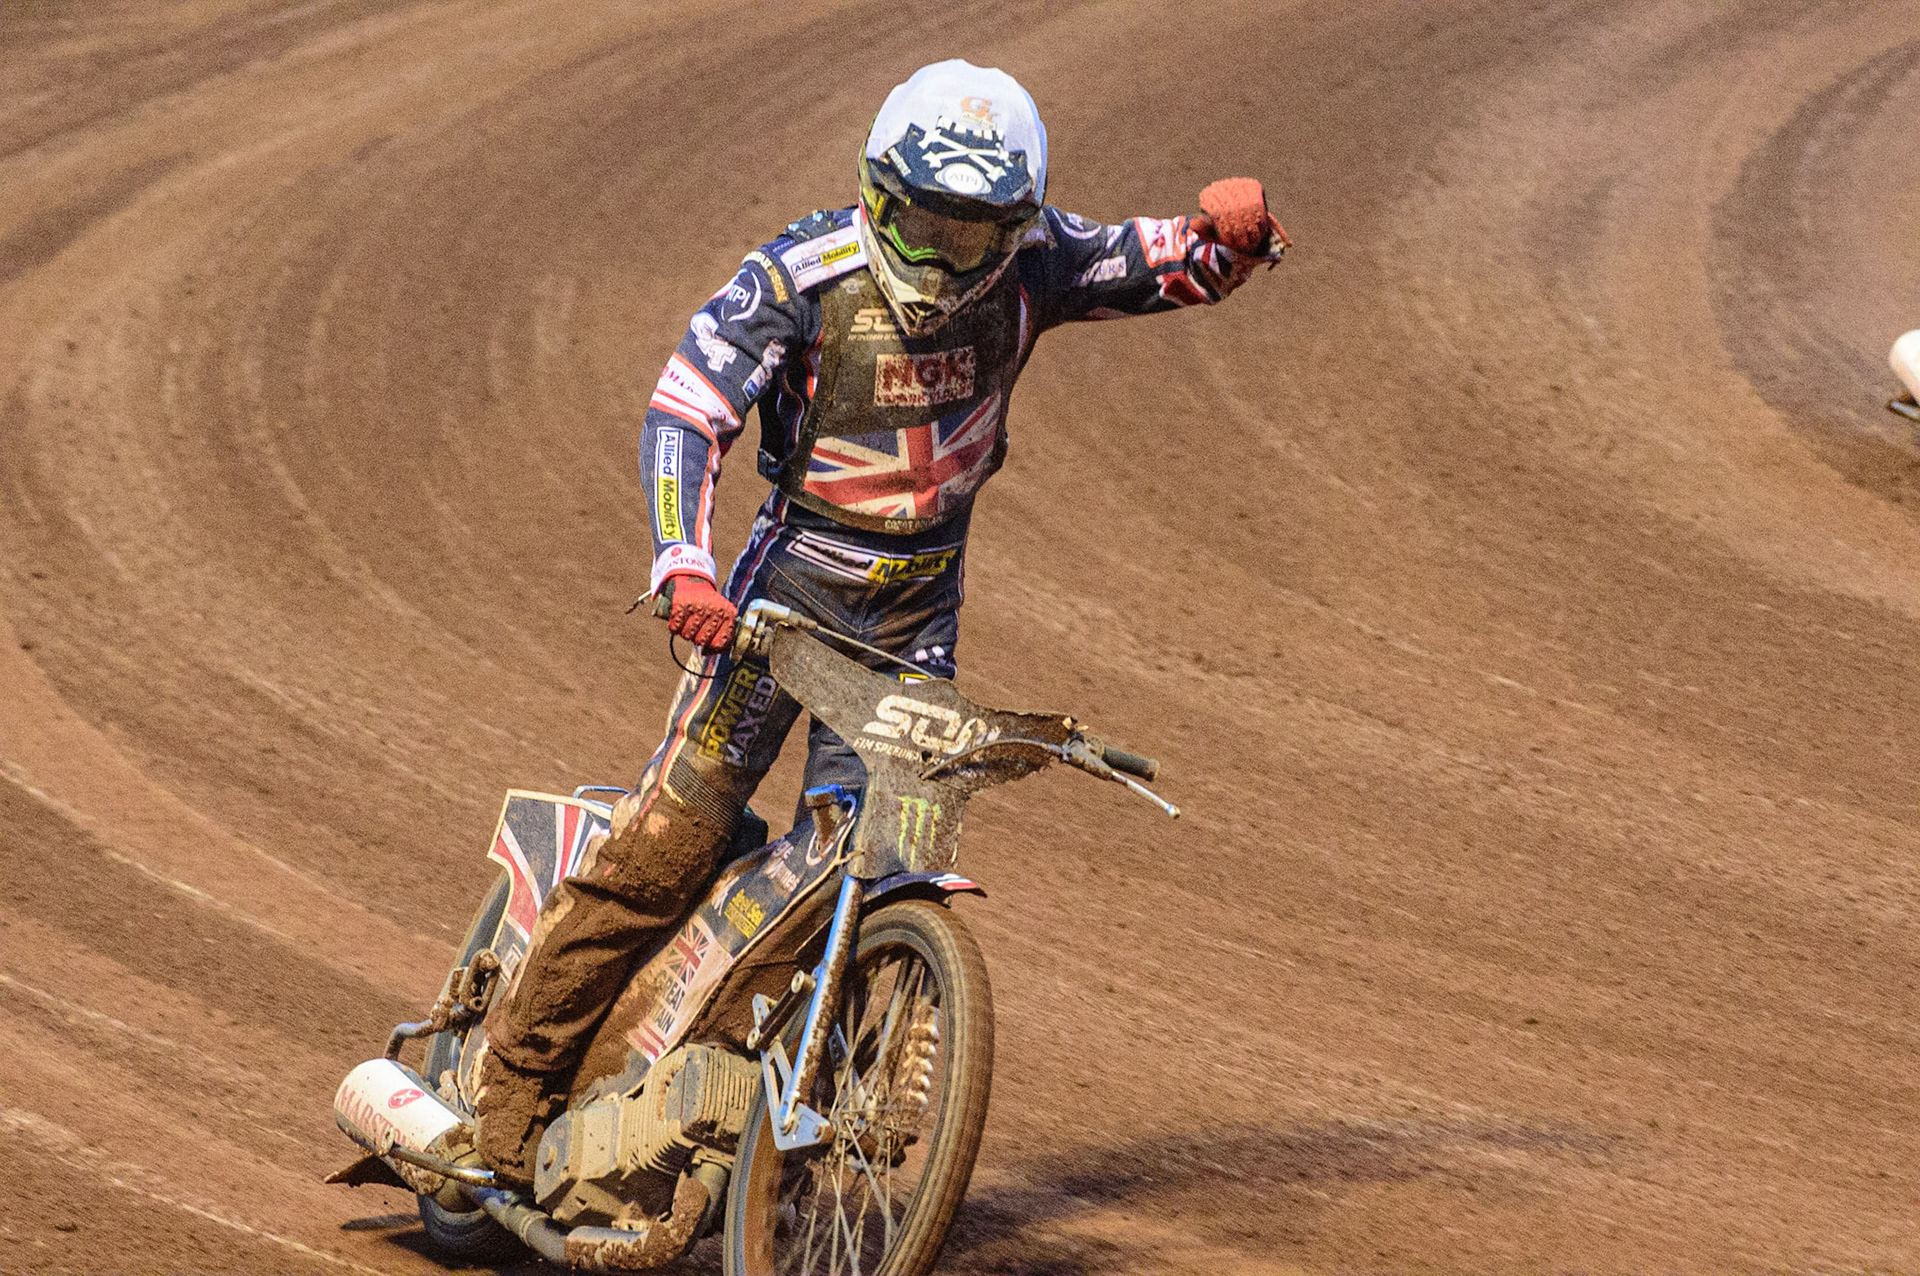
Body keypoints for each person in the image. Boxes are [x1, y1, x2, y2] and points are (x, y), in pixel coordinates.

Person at [472, 58, 1290, 1182]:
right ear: (875, 190)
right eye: (922, 224)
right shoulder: (799, 278)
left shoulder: (1038, 261)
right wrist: (683, 566)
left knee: (858, 873)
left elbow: (1160, 262)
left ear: (1015, 222)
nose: (946, 257)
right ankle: (505, 1096)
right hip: (779, 603)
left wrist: (1235, 238)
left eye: (973, 235)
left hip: (914, 620)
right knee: (670, 846)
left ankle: (736, 1111)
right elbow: (686, 409)